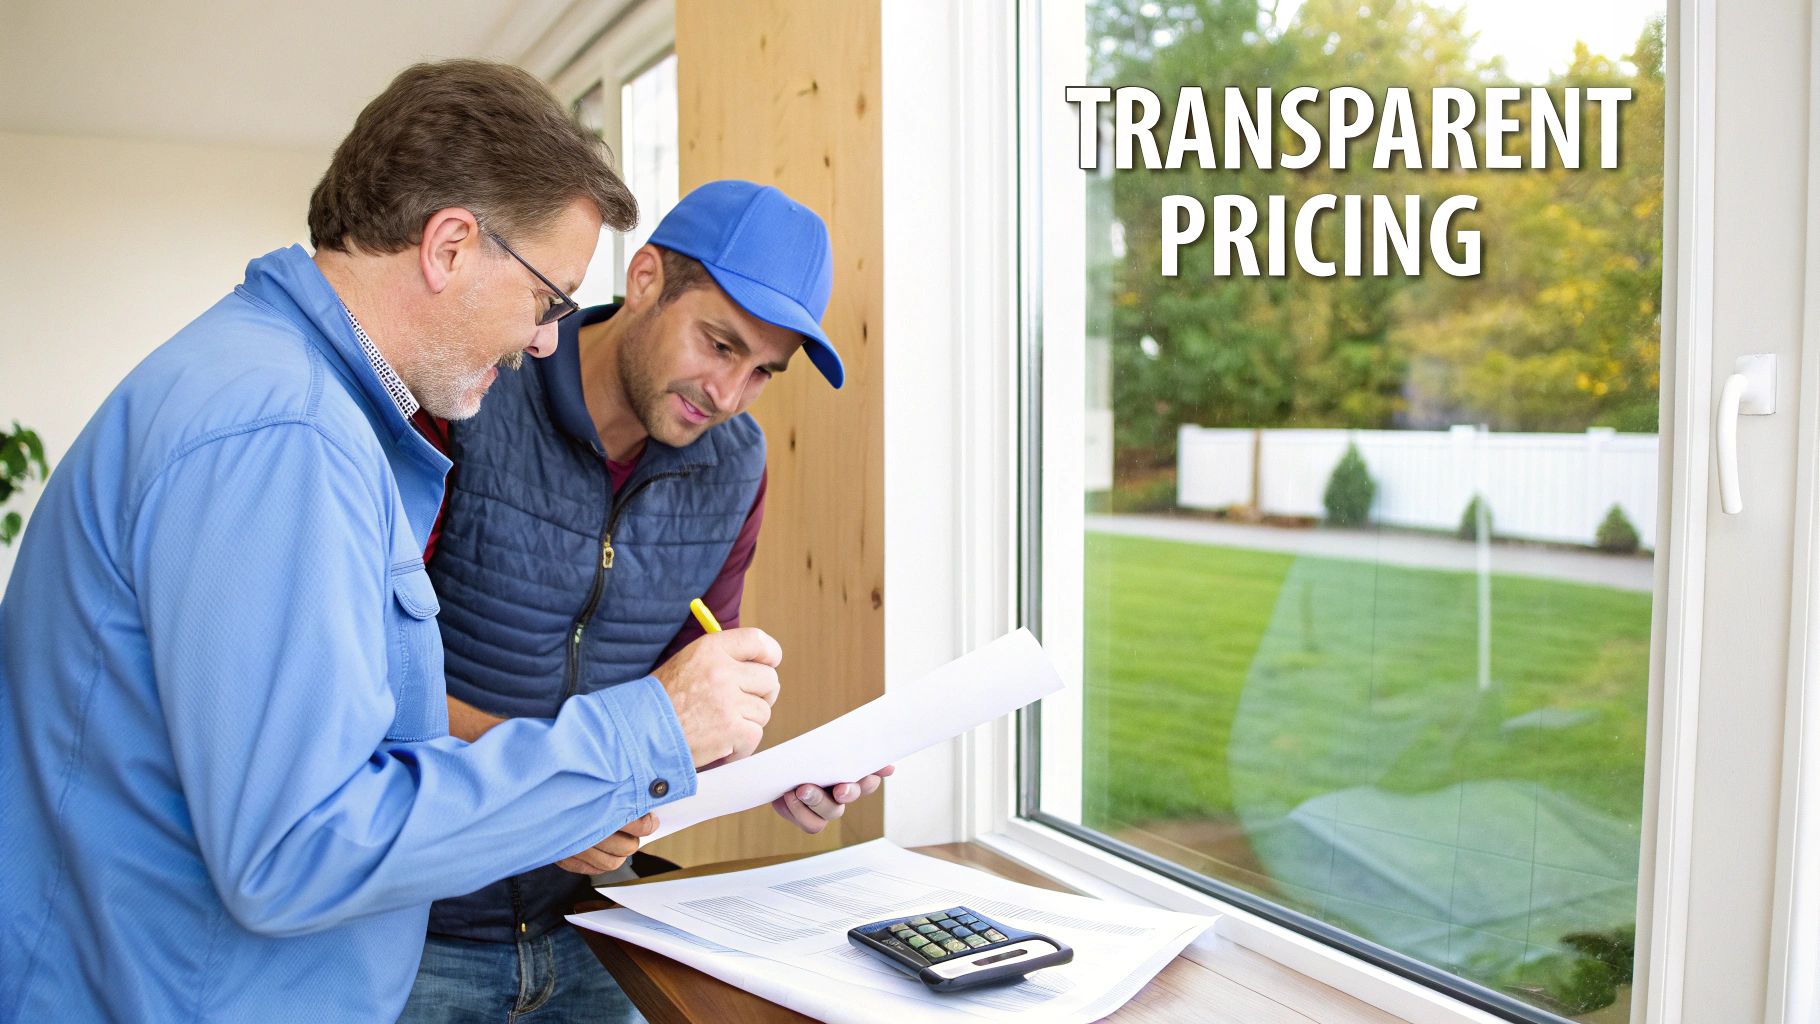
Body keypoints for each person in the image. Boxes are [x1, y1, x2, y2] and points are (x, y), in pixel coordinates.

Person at [0, 61, 782, 1023]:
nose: (545, 341)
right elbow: (296, 849)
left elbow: (336, 759)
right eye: (547, 299)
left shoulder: (281, 395)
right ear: (450, 245)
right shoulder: (286, 434)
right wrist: (642, 733)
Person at [397, 180, 891, 1023]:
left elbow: (687, 689)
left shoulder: (735, 464)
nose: (729, 395)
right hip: (420, 928)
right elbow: (369, 678)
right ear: (649, 277)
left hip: (601, 930)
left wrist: (768, 771)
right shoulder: (474, 392)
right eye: (719, 344)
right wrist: (556, 791)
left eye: (762, 372)